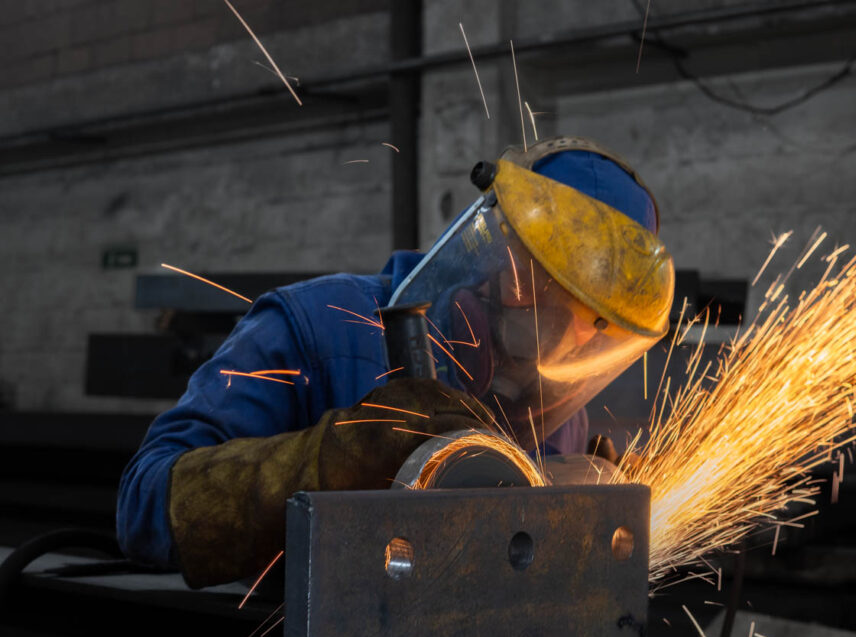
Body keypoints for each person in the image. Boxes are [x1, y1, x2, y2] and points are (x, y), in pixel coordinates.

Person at [117, 136, 675, 588]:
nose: (576, 337)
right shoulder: (319, 324)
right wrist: (327, 463)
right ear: (510, 259)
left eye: (597, 322)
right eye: (564, 297)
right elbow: (143, 509)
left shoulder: (559, 414)